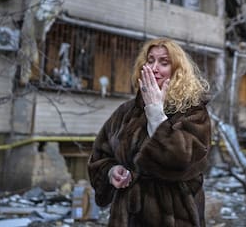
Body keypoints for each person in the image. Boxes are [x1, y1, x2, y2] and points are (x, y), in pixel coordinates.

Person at [88, 38, 212, 227]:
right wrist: (112, 171)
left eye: (164, 62)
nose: (154, 68)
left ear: (177, 70)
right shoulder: (126, 111)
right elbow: (100, 155)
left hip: (174, 216)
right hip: (127, 217)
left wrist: (155, 112)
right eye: (150, 60)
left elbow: (182, 160)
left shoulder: (193, 111)